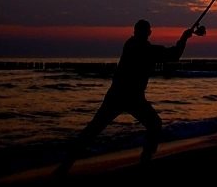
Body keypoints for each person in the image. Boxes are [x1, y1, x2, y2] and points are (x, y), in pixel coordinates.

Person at [54, 19, 193, 175]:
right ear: (148, 33)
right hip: (128, 97)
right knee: (153, 124)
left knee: (93, 130)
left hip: (120, 95)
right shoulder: (142, 48)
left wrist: (184, 38)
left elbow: (170, 55)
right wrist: (184, 38)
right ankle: (145, 160)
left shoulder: (131, 44)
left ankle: (65, 165)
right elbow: (172, 55)